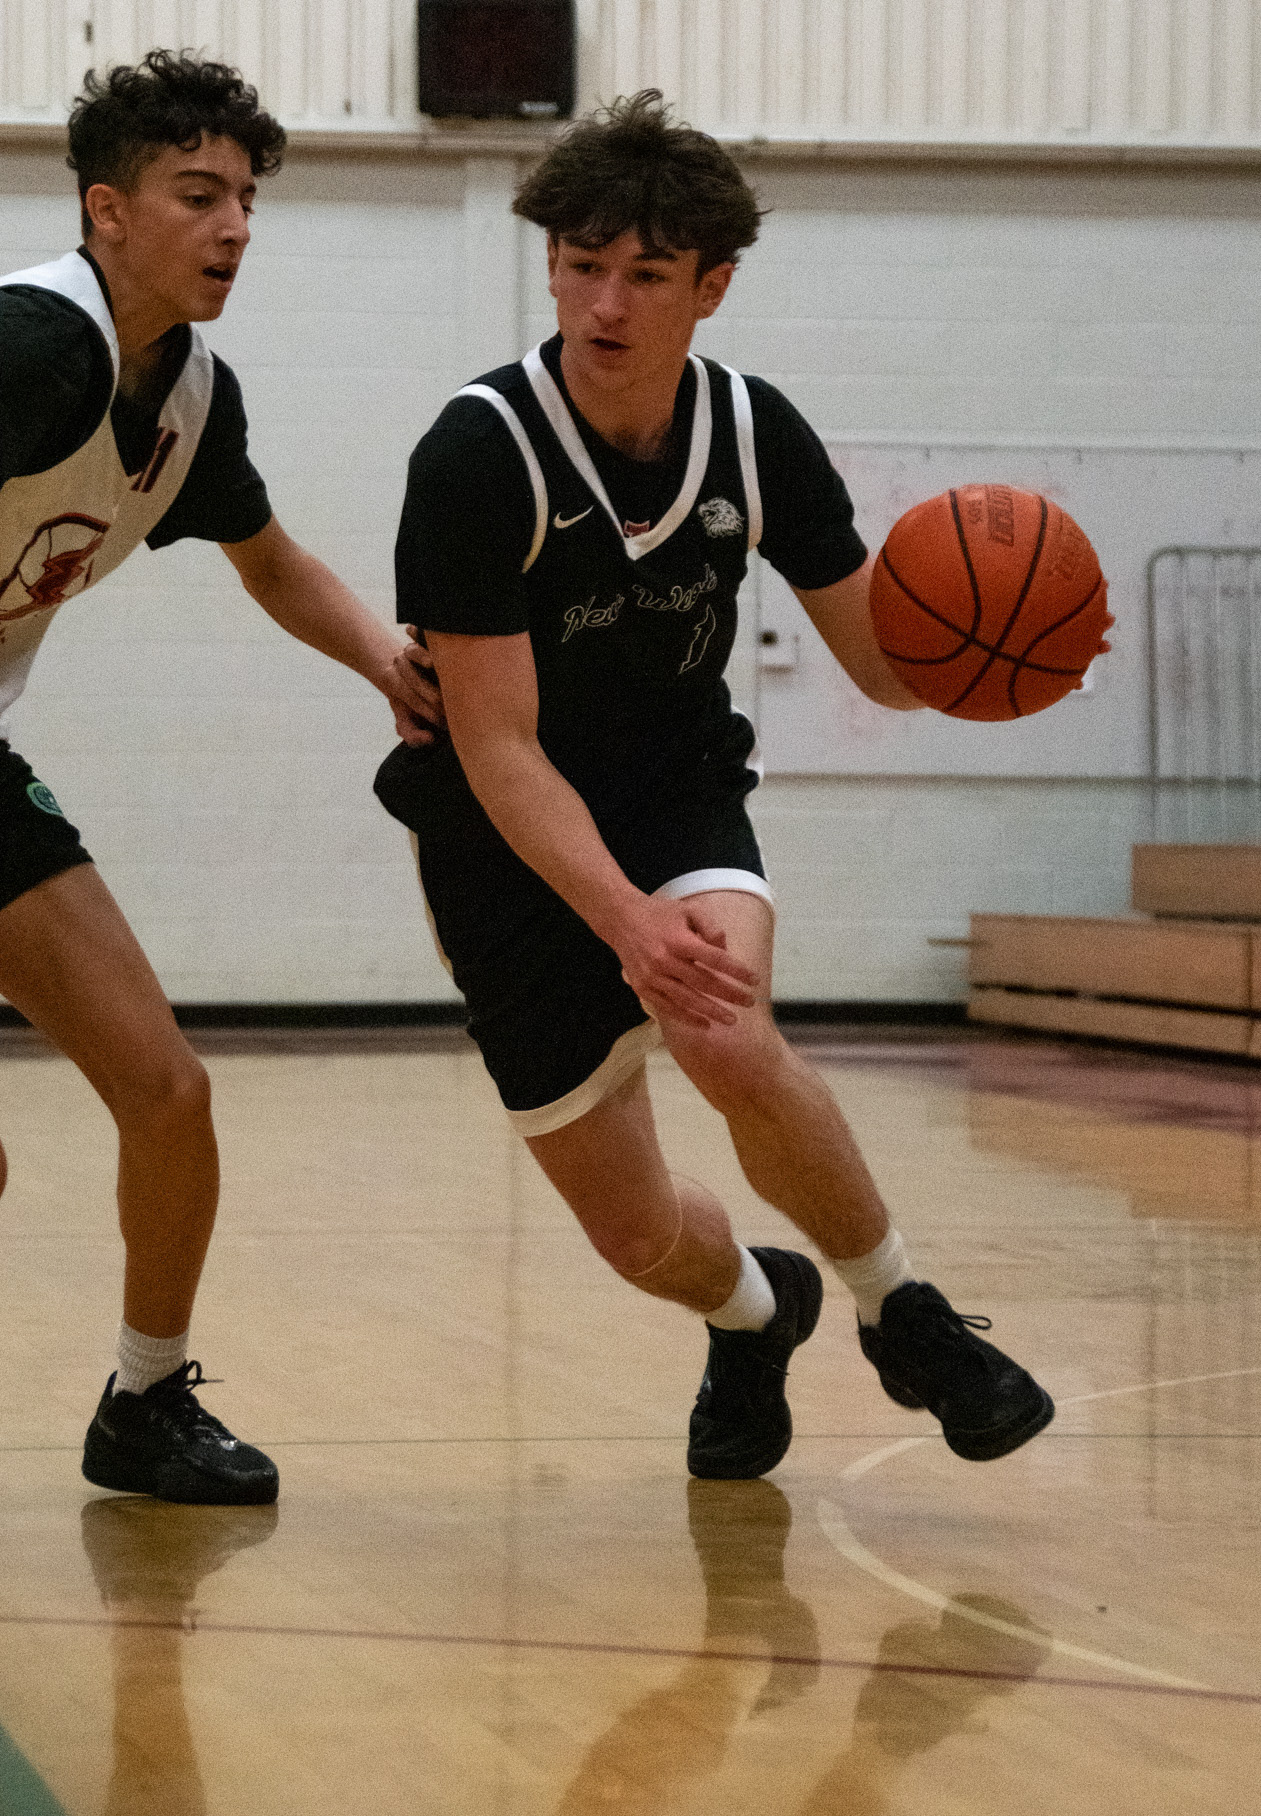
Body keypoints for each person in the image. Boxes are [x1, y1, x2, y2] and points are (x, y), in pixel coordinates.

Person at [377, 91, 1053, 1480]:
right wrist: (624, 921)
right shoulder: (476, 456)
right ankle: (756, 1313)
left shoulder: (755, 434)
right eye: (582, 265)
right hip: (503, 839)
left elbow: (880, 665)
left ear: (712, 286)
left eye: (646, 274)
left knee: (727, 1033)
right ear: (551, 262)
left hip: (678, 793)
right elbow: (500, 748)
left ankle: (905, 1313)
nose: (605, 304)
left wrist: (994, 656)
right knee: (635, 1236)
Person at [0, 51, 440, 1505]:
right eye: (199, 195)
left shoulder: (192, 396)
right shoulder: (31, 346)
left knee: (168, 1092)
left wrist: (391, 668)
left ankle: (144, 1402)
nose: (236, 225)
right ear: (106, 209)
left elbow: (270, 560)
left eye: (247, 197)